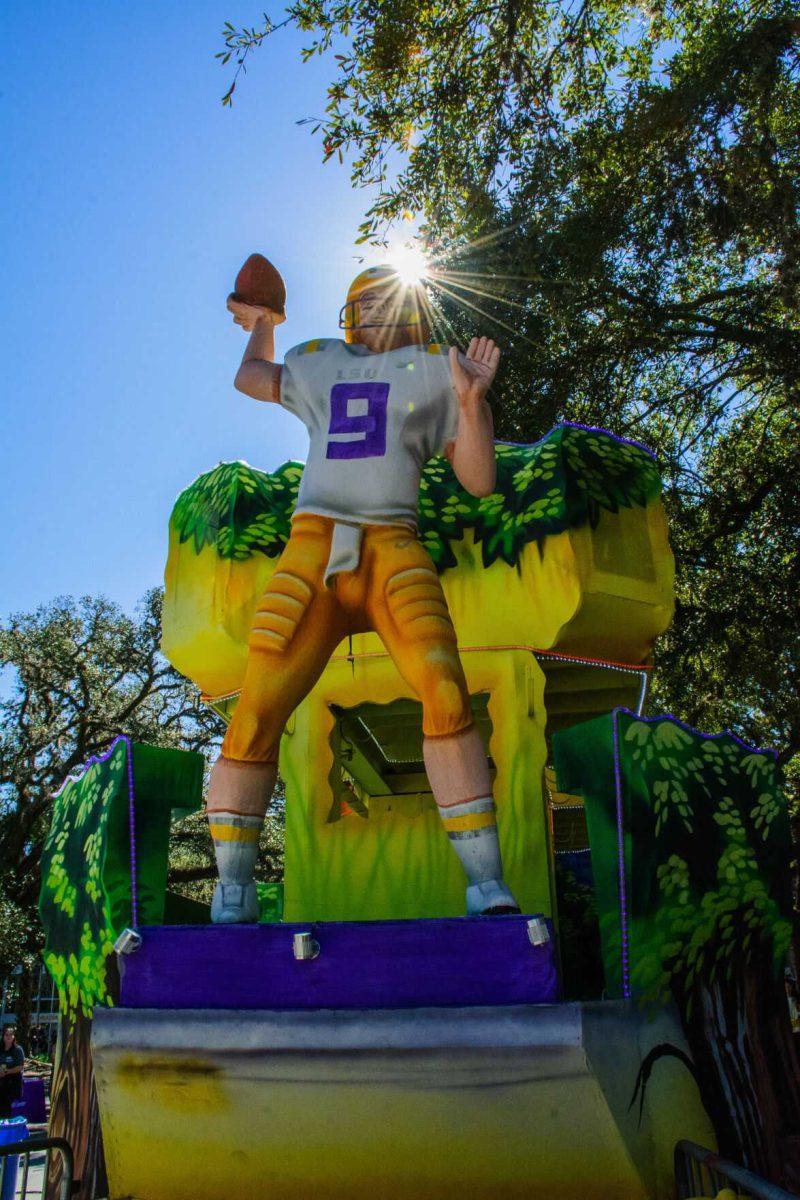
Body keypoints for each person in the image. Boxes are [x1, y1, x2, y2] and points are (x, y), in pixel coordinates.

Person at [206, 263, 520, 923]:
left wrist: (470, 404)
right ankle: (232, 886)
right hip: (313, 545)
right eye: (366, 303)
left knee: (443, 687)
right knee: (258, 703)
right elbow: (251, 379)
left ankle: (485, 882)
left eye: (389, 302)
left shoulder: (436, 365)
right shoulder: (320, 360)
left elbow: (480, 480)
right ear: (349, 312)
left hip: (391, 544)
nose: (378, 314)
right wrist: (261, 325)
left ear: (410, 312)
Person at [0, 1026, 24, 1119]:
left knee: (5, 1107)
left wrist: (6, 1072)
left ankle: (6, 1128)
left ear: (14, 1037)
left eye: (11, 1035)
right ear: (3, 1036)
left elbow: (20, 1067)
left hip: (12, 1084)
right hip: (1, 1082)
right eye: (6, 1035)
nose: (9, 1037)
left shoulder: (17, 1050)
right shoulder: (1, 1049)